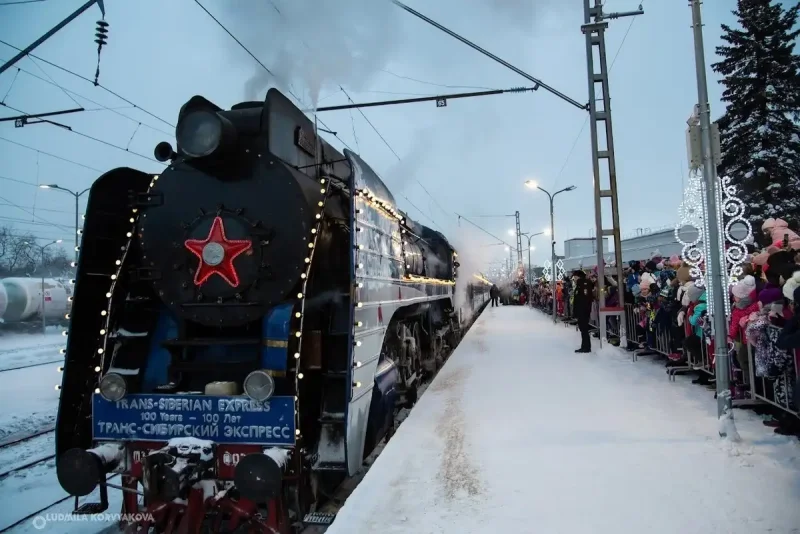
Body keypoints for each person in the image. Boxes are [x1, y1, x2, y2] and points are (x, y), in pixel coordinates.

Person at [572, 270, 593, 353]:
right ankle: (584, 346)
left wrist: (580, 310)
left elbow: (584, 298)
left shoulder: (584, 284)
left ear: (578, 276)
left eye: (575, 277)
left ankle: (586, 347)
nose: (574, 279)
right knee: (583, 329)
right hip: (582, 310)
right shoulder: (580, 284)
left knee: (584, 329)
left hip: (583, 310)